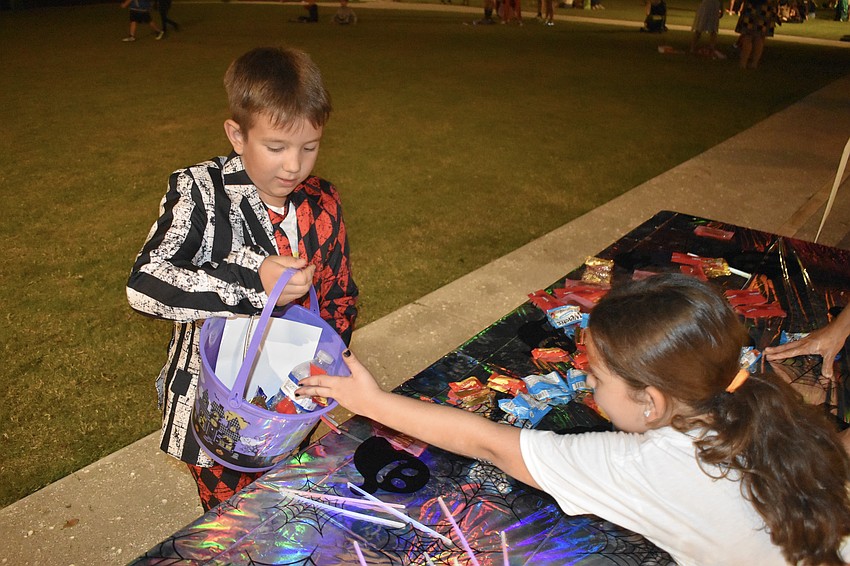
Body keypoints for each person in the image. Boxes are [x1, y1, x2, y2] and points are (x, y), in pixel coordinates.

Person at [297, 274, 850, 565]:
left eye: (597, 377)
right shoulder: (763, 404)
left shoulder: (650, 464)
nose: (587, 383)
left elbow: (495, 446)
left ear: (650, 401)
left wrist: (368, 402)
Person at [127, 46, 358, 511]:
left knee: (285, 510)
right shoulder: (201, 191)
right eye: (276, 148)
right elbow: (145, 282)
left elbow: (340, 295)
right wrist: (254, 281)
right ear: (237, 134)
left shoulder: (322, 200)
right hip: (219, 416)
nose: (294, 165)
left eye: (309, 147)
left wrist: (327, 364)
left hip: (294, 409)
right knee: (232, 523)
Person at [735, 0, 780, 68]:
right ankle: (753, 63)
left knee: (749, 35)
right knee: (759, 36)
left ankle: (743, 62)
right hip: (766, 9)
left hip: (753, 7)